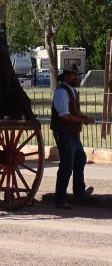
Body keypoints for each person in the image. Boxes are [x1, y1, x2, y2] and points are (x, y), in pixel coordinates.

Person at [51, 64, 94, 209]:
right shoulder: (61, 93)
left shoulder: (73, 91)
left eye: (77, 75)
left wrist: (84, 117)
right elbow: (64, 115)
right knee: (66, 167)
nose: (77, 77)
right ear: (67, 76)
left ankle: (79, 194)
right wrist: (82, 120)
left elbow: (73, 113)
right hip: (64, 133)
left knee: (80, 159)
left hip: (72, 133)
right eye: (74, 75)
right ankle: (60, 199)